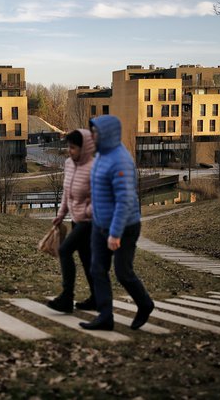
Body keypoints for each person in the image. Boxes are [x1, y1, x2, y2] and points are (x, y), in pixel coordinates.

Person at [79, 115, 154, 331]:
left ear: (107, 133)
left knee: (123, 272)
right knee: (97, 269)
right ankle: (105, 316)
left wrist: (115, 233)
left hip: (124, 227)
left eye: (95, 132)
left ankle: (145, 304)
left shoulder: (121, 160)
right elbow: (100, 189)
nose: (92, 135)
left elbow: (125, 200)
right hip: (100, 225)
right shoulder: (102, 155)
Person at [47, 129, 97, 313]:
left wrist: (86, 212)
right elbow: (67, 193)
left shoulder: (94, 167)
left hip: (90, 222)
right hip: (76, 220)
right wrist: (61, 214)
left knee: (65, 250)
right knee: (86, 259)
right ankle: (96, 298)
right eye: (68, 147)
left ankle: (67, 298)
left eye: (73, 148)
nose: (70, 151)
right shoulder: (69, 164)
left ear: (84, 149)